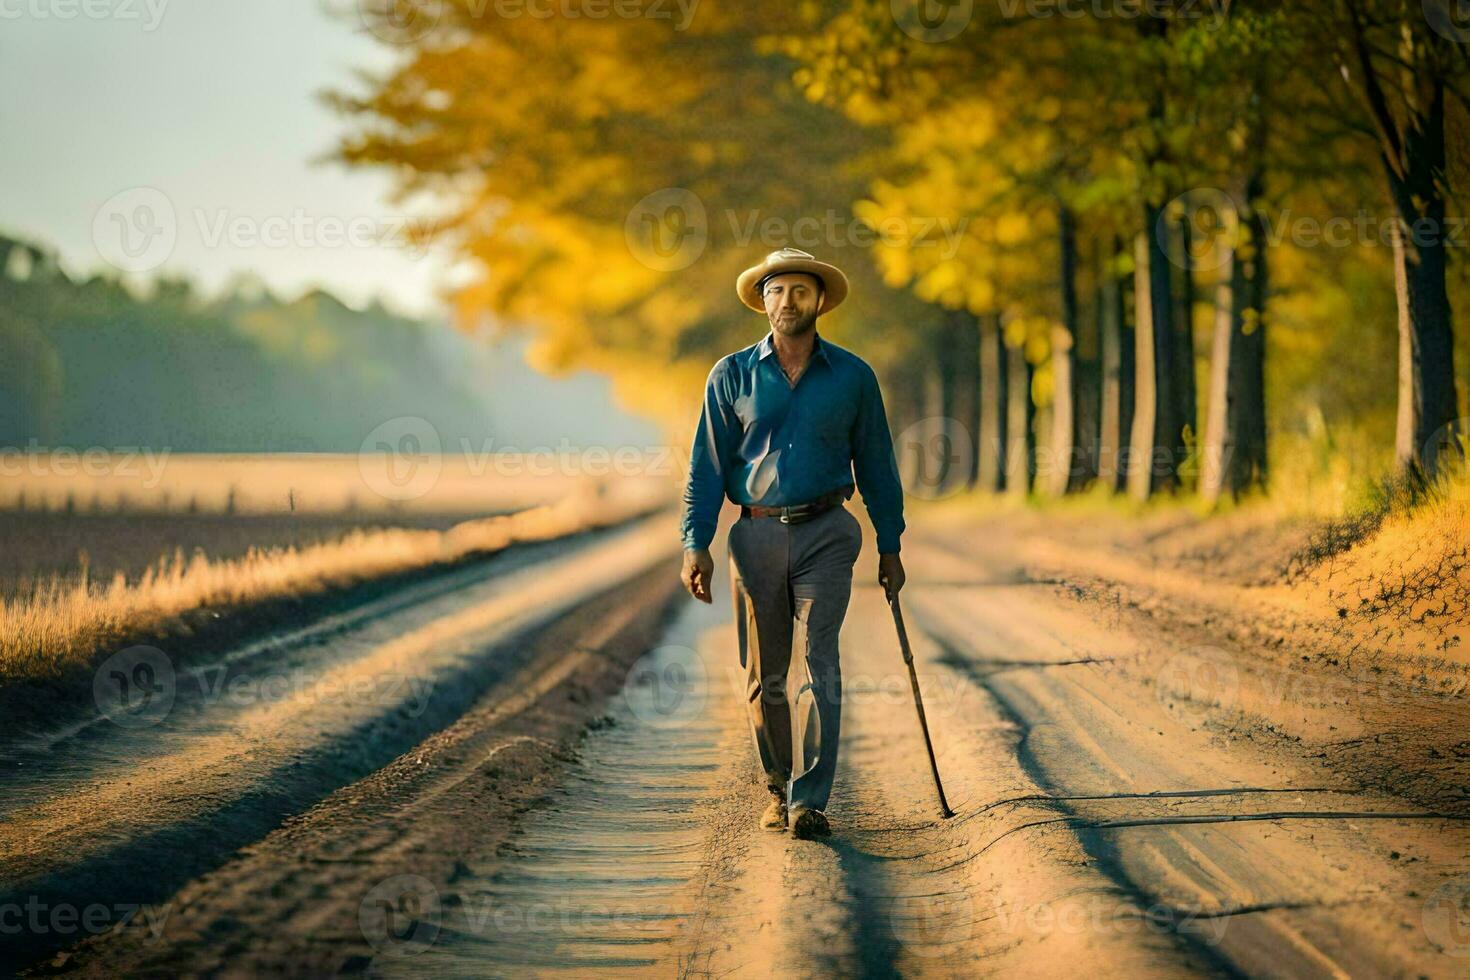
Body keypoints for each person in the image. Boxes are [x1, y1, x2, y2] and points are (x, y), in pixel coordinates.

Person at [679, 246, 907, 839]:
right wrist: (695, 542)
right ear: (763, 301)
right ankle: (776, 787)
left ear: (820, 301)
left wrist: (890, 543)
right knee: (765, 673)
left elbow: (877, 462)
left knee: (820, 660)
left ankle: (810, 799)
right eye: (777, 291)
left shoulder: (853, 377)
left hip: (828, 532)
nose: (788, 301)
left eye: (800, 291)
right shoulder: (730, 375)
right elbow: (706, 466)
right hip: (753, 534)